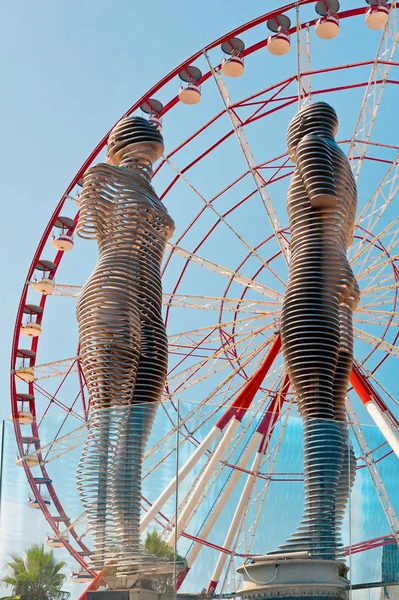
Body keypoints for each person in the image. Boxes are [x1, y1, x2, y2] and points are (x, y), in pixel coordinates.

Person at [76, 116, 175, 575]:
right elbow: (92, 234)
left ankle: (128, 543)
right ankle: (104, 545)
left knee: (132, 436)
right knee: (109, 425)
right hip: (112, 297)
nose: (149, 145)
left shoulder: (152, 194)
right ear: (118, 145)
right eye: (138, 139)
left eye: (153, 141)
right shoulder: (102, 178)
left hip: (151, 305)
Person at [278, 102, 359, 559]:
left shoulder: (313, 147)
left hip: (311, 280)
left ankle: (316, 527)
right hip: (340, 283)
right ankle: (324, 530)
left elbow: (320, 195)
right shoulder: (348, 166)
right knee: (334, 409)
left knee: (315, 411)